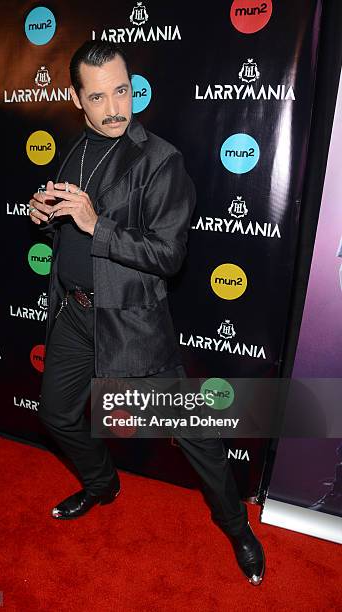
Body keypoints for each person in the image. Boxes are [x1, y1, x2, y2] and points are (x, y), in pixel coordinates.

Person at [28, 41, 265, 585]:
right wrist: (45, 217)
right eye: (99, 96)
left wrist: (96, 224)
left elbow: (168, 255)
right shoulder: (74, 150)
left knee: (194, 433)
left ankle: (237, 526)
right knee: (58, 413)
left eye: (122, 90)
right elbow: (66, 228)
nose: (115, 107)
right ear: (76, 100)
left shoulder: (161, 160)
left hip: (130, 321)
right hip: (73, 315)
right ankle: (102, 485)